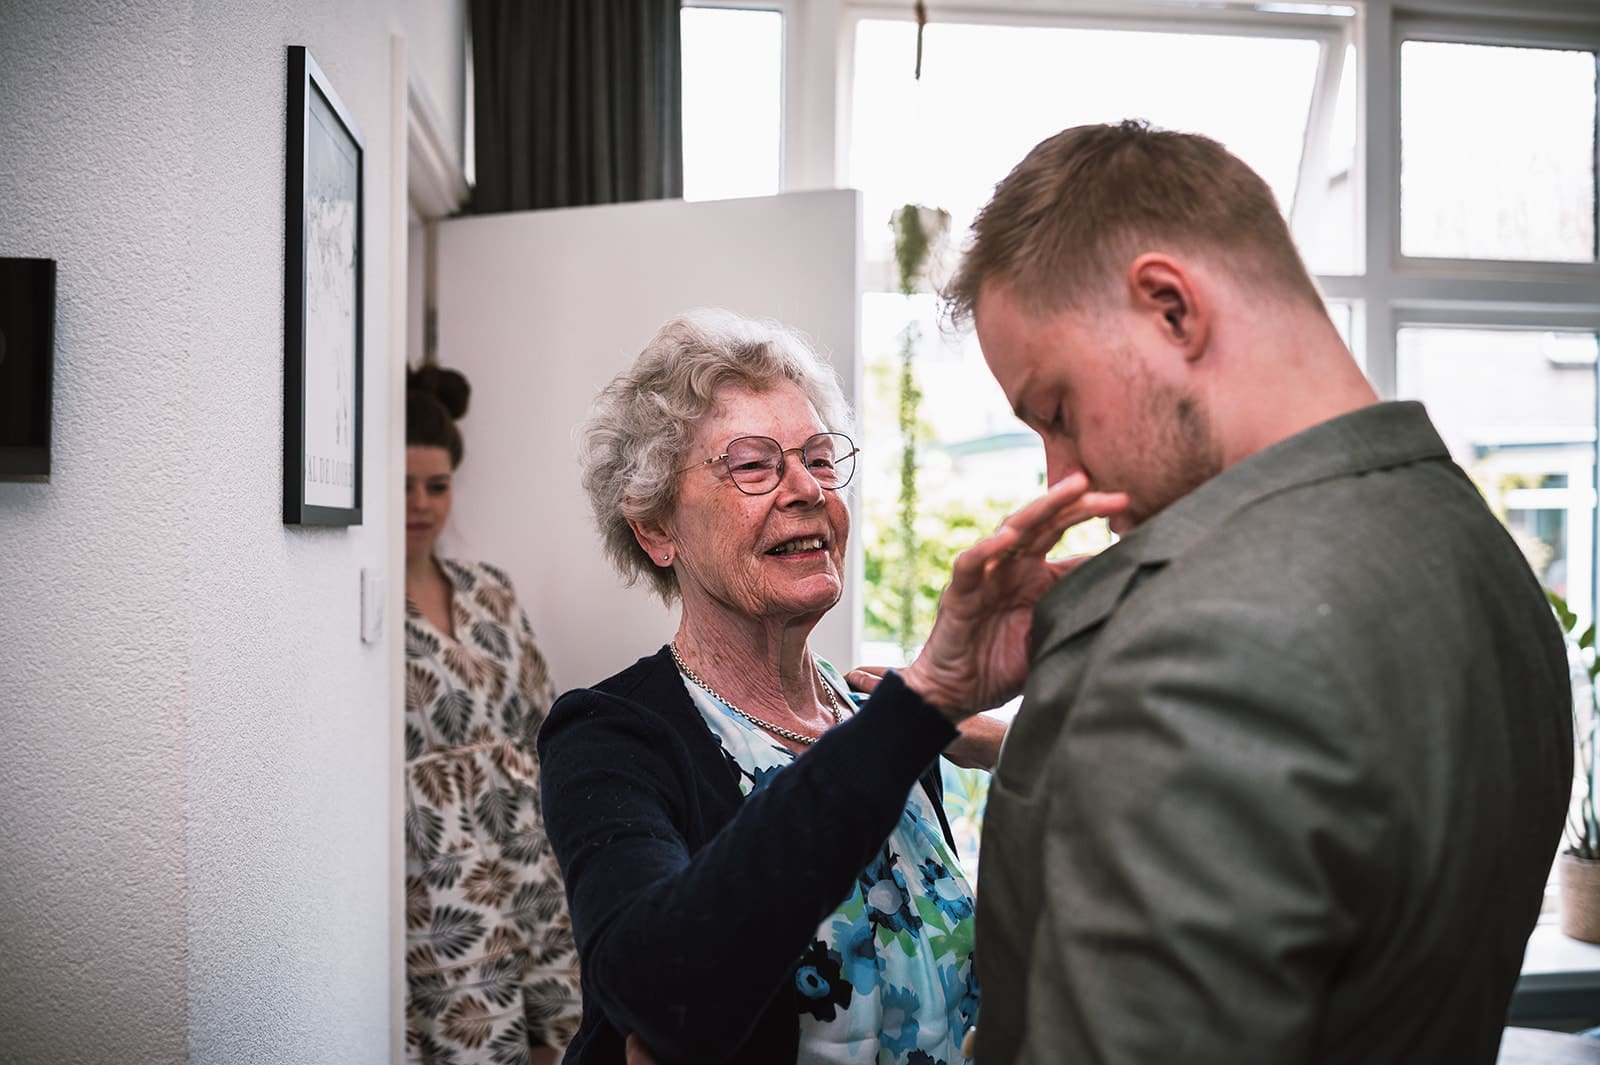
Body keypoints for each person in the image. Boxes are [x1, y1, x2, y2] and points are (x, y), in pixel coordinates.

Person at [913, 119, 1574, 1064]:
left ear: (1172, 308)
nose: (1058, 473)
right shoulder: (1476, 548)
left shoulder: (1198, 644)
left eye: (1056, 410)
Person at [538, 309, 1126, 1064]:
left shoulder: (882, 718)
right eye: (754, 464)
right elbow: (662, 990)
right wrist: (924, 700)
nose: (807, 488)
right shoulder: (612, 736)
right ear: (657, 528)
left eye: (819, 457)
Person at [403, 364, 582, 1065]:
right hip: (440, 877)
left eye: (437, 485)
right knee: (481, 1045)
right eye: (404, 484)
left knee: (566, 1035)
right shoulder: (364, 609)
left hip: (532, 852)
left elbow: (544, 720)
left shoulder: (491, 590)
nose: (420, 502)